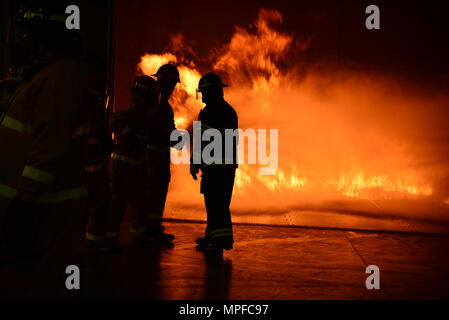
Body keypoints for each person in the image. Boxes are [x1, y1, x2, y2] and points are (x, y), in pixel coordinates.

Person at [0, 4, 89, 262]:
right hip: (35, 213)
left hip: (41, 216)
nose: (22, 42)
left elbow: (50, 145)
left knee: (37, 286)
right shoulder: (46, 75)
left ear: (45, 37)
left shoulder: (59, 77)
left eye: (29, 34)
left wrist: (23, 203)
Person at [108, 75, 170, 246]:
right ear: (149, 96)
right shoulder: (144, 116)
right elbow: (154, 136)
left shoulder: (126, 115)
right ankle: (136, 238)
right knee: (132, 204)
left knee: (124, 203)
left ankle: (114, 237)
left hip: (125, 166)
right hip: (130, 167)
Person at [190, 73, 238, 251]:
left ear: (211, 92)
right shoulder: (229, 111)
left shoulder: (210, 112)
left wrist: (195, 163)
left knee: (216, 204)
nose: (202, 96)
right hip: (226, 169)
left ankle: (220, 242)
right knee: (218, 204)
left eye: (204, 92)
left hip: (215, 169)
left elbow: (203, 141)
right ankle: (212, 235)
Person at [142, 64, 184, 243]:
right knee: (154, 196)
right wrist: (175, 139)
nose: (173, 88)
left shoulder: (161, 104)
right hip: (153, 160)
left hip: (157, 159)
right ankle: (151, 232)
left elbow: (167, 131)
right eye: (171, 83)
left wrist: (180, 137)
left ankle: (152, 230)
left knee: (156, 195)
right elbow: (153, 132)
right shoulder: (157, 103)